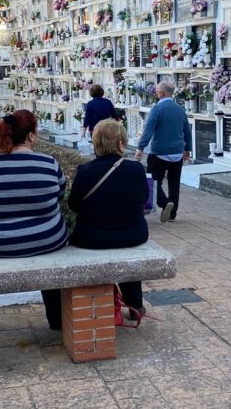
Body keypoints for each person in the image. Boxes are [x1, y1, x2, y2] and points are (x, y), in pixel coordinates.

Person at [0, 109, 68, 330]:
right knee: (51, 264)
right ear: (31, 135)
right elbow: (60, 194)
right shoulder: (48, 164)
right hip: (45, 240)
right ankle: (57, 320)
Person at [68, 119, 149, 316]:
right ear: (121, 144)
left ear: (96, 143)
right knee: (127, 251)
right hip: (132, 234)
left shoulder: (84, 171)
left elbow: (73, 205)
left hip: (91, 238)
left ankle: (95, 306)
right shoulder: (136, 169)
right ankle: (135, 305)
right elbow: (144, 199)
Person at [134, 81, 192, 223]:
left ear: (163, 93)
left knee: (154, 183)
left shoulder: (157, 109)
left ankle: (165, 203)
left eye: (157, 91)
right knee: (174, 184)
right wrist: (187, 149)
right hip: (177, 153)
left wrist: (140, 147)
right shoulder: (180, 109)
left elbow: (148, 130)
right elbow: (187, 131)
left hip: (159, 152)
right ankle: (172, 214)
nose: (156, 93)